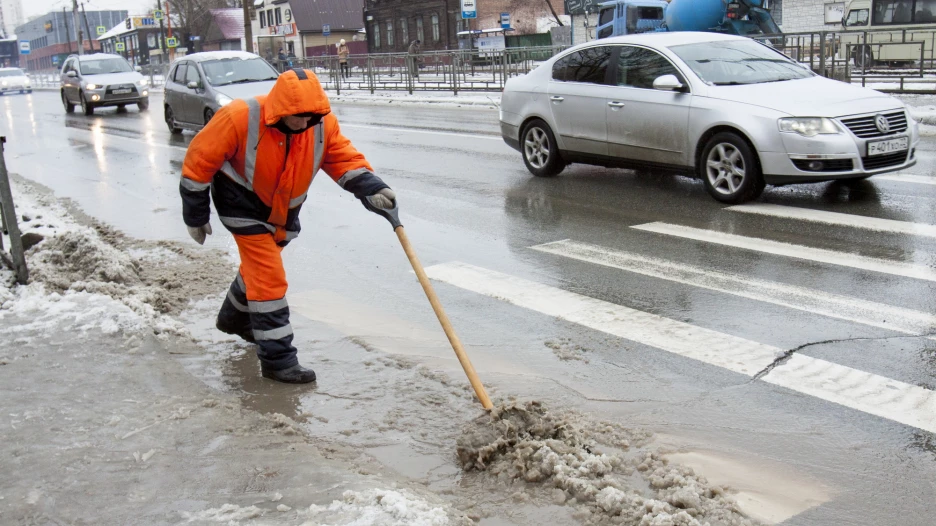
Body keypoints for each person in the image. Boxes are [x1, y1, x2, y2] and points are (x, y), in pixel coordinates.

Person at [179, 69, 396, 384]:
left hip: (284, 212)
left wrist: (372, 187)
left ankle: (233, 319)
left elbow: (342, 158)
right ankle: (278, 360)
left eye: (311, 116)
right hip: (241, 204)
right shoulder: (240, 117)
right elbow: (198, 163)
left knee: (258, 269)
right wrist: (196, 216)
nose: (304, 123)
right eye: (297, 116)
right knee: (268, 279)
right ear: (280, 108)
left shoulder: (320, 124)